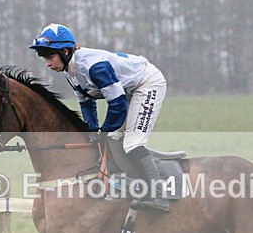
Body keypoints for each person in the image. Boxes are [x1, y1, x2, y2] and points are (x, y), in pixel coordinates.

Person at [30, 23, 170, 212]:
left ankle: (159, 195)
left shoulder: (94, 67)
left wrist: (102, 131)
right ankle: (134, 185)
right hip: (129, 90)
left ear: (65, 51)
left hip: (147, 84)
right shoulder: (70, 71)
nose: (47, 64)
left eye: (50, 57)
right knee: (114, 139)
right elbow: (86, 103)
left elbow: (117, 103)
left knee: (133, 143)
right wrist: (91, 130)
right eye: (44, 58)